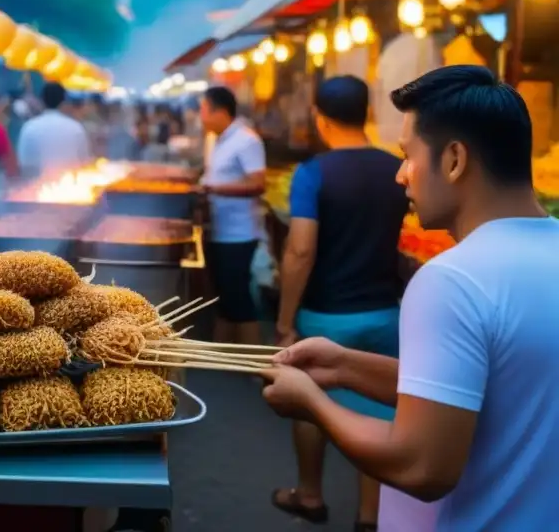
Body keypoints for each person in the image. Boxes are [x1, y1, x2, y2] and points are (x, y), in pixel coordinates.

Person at [261, 65, 559, 532]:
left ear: (455, 159)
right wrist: (344, 367)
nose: (401, 175)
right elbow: (490, 389)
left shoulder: (452, 280)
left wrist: (314, 402)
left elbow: (421, 466)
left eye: (408, 155)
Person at [272, 76, 409, 530]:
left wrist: (285, 320)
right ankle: (370, 516)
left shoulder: (313, 173)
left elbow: (300, 250)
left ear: (320, 117)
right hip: (385, 311)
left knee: (311, 401)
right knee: (382, 408)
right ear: (367, 113)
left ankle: (310, 494)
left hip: (325, 314)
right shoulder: (398, 169)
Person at [198, 86, 266, 345]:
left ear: (220, 112)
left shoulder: (246, 140)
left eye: (203, 111)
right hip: (220, 229)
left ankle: (253, 363)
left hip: (238, 233)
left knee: (238, 295)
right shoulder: (220, 139)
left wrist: (212, 189)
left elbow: (258, 184)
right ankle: (221, 355)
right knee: (224, 294)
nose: (201, 117)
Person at [17, 82, 92, 176]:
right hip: (70, 186)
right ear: (64, 102)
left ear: (42, 101)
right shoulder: (76, 128)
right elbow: (85, 162)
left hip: (37, 187)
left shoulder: (28, 128)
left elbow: (23, 164)